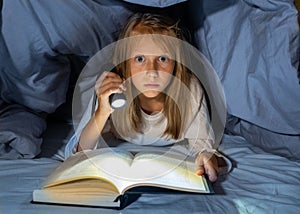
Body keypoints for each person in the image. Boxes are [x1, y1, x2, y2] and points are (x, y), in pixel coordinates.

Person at [65, 13, 231, 182]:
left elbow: (204, 146)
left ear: (176, 63)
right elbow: (80, 151)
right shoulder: (113, 89)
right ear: (125, 63)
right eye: (139, 59)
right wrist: (102, 111)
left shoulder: (190, 90)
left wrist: (207, 157)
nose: (151, 72)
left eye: (163, 58)